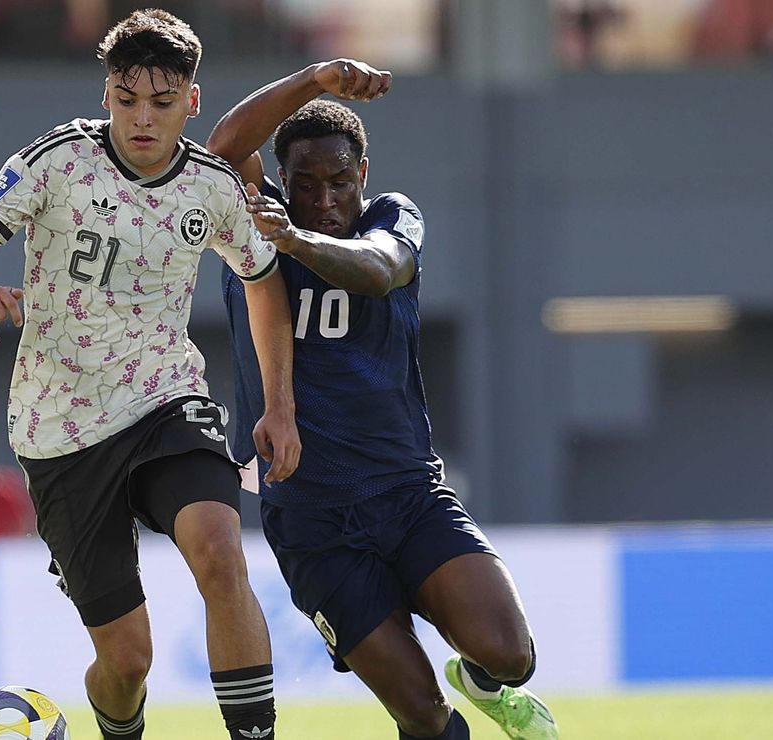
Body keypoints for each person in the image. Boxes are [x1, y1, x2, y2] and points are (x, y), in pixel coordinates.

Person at [0, 10, 301, 740]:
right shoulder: (57, 161)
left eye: (161, 104)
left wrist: (280, 404)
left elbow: (264, 282)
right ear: (107, 93)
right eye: (127, 98)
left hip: (166, 400)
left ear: (190, 103)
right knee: (128, 660)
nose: (142, 118)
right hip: (59, 431)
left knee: (222, 555)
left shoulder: (213, 189)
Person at [207, 60, 559, 740]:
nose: (325, 199)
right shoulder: (251, 227)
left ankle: (482, 682)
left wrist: (294, 239)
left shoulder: (392, 218)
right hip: (314, 523)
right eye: (305, 186)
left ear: (363, 174)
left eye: (340, 182)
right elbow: (222, 146)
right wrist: (314, 78)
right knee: (422, 717)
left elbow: (379, 271)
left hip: (408, 494)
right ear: (283, 181)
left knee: (511, 656)